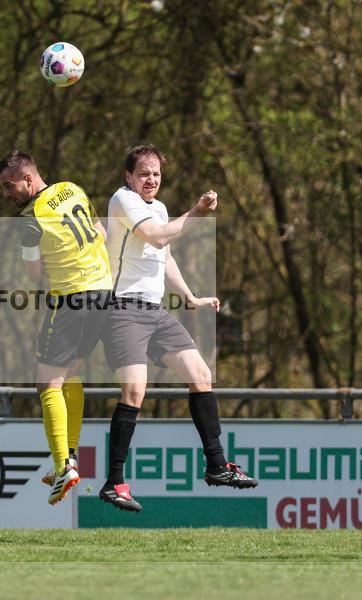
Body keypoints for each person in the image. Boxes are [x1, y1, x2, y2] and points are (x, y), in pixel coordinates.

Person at [99, 144, 258, 513]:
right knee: (135, 391)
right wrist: (197, 213)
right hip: (123, 310)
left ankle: (217, 466)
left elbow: (164, 254)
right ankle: (114, 483)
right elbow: (157, 237)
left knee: (201, 374)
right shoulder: (123, 201)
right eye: (143, 173)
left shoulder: (159, 208)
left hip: (154, 313)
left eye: (155, 173)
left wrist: (190, 297)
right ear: (128, 176)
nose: (151, 179)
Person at [0, 150, 113, 505]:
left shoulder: (31, 219)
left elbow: (33, 277)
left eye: (9, 185)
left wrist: (47, 261)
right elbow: (102, 235)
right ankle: (69, 455)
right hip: (104, 292)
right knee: (71, 375)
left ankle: (63, 467)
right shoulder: (73, 190)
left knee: (47, 383)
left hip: (72, 298)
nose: (7, 193)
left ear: (28, 179)